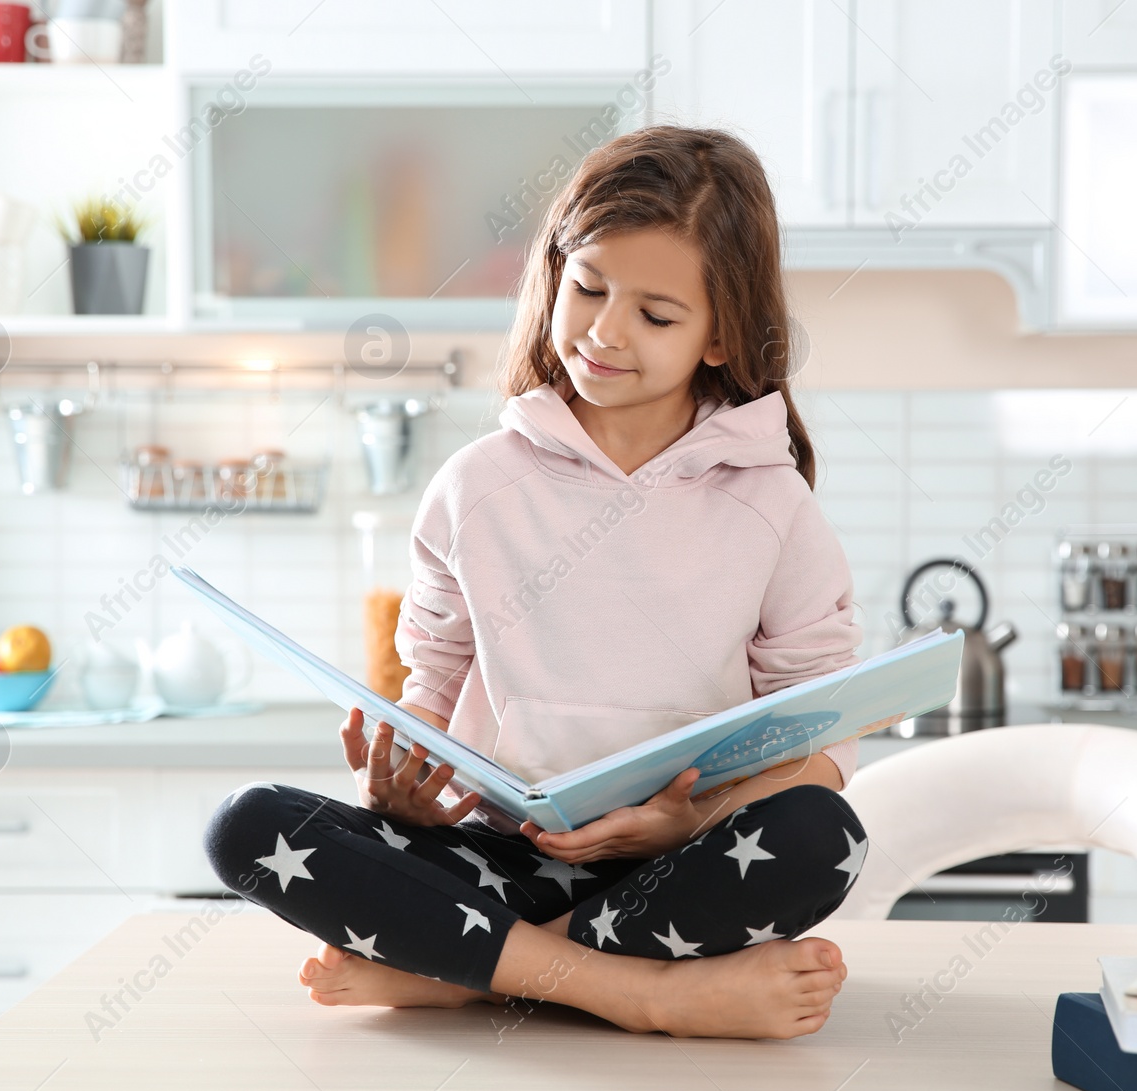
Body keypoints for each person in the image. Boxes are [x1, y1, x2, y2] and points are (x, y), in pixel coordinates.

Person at [205, 124, 870, 1040]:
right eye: (587, 287)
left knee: (821, 838)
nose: (603, 331)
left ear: (722, 338)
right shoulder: (476, 485)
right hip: (494, 862)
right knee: (249, 827)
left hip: (674, 867)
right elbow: (428, 697)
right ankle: (640, 994)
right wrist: (401, 792)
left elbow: (822, 750)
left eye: (657, 314)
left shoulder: (772, 504)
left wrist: (685, 822)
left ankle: (464, 978)